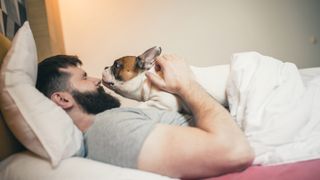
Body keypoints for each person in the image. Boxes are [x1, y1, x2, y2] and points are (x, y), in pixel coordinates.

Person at [36, 54, 254, 179]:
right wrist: (186, 84)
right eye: (83, 77)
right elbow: (234, 152)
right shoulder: (110, 129)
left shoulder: (113, 120)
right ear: (63, 100)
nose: (96, 79)